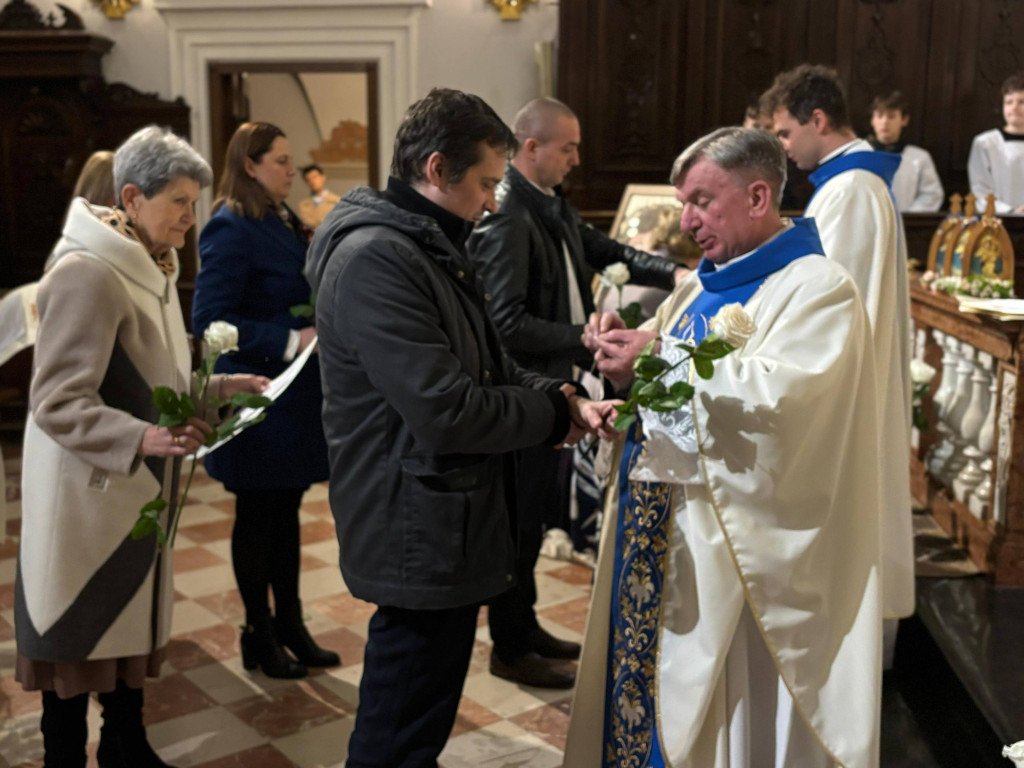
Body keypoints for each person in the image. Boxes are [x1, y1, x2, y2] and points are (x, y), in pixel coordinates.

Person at [305, 87, 621, 768]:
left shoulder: (428, 244)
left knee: (422, 713)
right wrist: (548, 419)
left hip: (440, 514)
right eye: (483, 183)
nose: (491, 201)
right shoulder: (378, 260)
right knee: (399, 724)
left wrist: (559, 398)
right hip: (412, 522)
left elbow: (492, 361)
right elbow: (446, 408)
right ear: (437, 168)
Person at [564, 126, 884, 768]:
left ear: (758, 195)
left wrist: (662, 362)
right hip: (659, 542)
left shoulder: (817, 288)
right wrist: (624, 358)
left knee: (717, 719)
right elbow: (661, 374)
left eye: (702, 201)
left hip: (734, 563)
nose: (686, 220)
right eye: (684, 202)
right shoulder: (696, 287)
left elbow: (784, 407)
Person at [15, 126, 267, 768]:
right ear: (131, 196)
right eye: (180, 201)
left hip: (132, 489)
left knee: (124, 634)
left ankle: (127, 745)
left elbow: (149, 381)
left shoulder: (151, 266)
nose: (192, 217)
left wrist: (216, 388)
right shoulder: (88, 273)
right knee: (79, 644)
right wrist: (146, 437)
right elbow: (57, 402)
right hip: (88, 500)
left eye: (194, 200)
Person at [467, 97, 683, 688]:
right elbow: (504, 321)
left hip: (552, 384)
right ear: (530, 148)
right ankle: (510, 646)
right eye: (568, 146)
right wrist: (587, 339)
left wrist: (674, 274)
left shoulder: (548, 202)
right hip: (524, 389)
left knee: (533, 517)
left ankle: (525, 625)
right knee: (517, 520)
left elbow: (603, 250)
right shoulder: (507, 212)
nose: (577, 158)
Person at [764, 64, 914, 656]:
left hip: (847, 393)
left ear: (817, 121)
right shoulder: (849, 187)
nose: (781, 147)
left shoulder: (850, 192)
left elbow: (828, 310)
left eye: (783, 133)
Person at [193, 121, 336, 680]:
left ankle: (291, 625)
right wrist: (287, 338)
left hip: (292, 399)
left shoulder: (281, 218)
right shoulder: (229, 227)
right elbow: (208, 322)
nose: (290, 169)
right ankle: (259, 631)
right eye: (279, 160)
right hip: (254, 397)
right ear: (249, 165)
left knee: (285, 513)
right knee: (257, 516)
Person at [868, 90, 944, 212]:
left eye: (891, 116)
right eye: (880, 115)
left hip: (906, 223)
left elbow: (931, 195)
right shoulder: (860, 153)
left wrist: (905, 218)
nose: (885, 122)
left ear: (904, 120)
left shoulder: (919, 157)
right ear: (872, 120)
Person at [968, 71, 1024, 214]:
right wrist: (1011, 211)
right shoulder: (986, 143)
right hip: (1000, 221)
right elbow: (980, 191)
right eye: (1008, 102)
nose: (1014, 108)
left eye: (1021, 102)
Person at [297, 163, 341, 229]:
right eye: (308, 180)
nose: (312, 181)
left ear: (323, 177)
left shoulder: (337, 202)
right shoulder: (303, 206)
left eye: (314, 177)